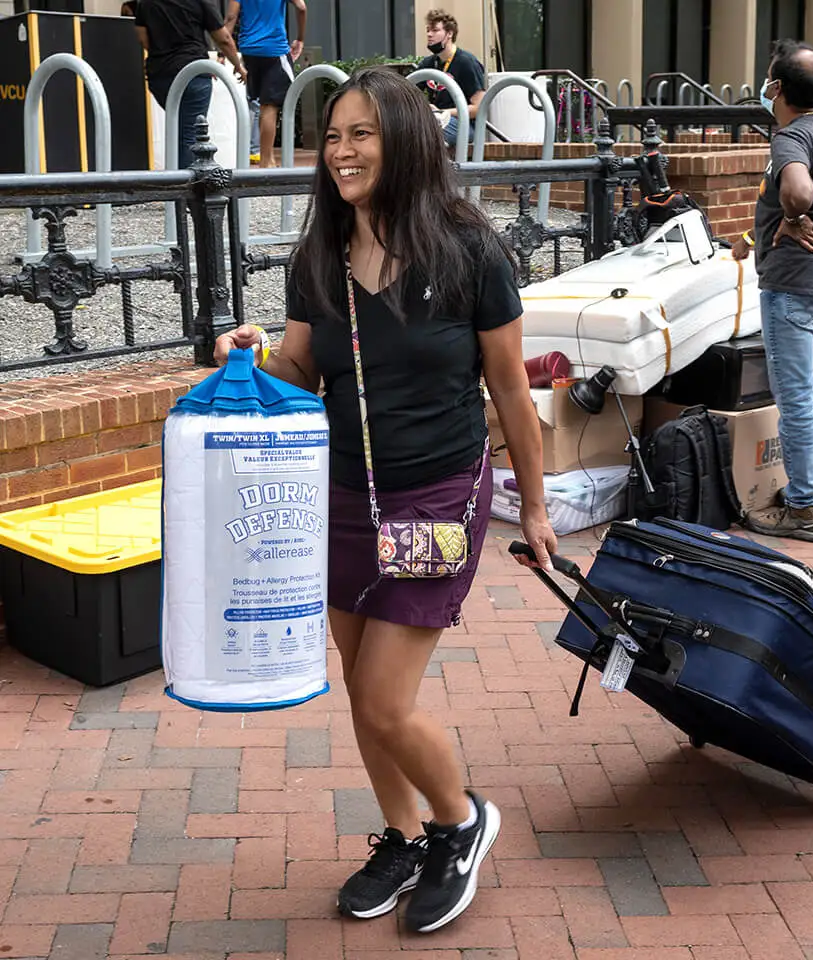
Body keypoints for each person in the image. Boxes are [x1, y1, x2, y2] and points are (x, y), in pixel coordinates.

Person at [213, 67, 557, 931]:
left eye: (360, 133)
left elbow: (512, 391)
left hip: (435, 500)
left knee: (383, 698)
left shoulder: (472, 249)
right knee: (359, 683)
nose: (340, 152)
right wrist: (251, 356)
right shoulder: (319, 254)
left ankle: (460, 821)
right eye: (331, 136)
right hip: (340, 501)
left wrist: (539, 507)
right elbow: (300, 369)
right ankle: (403, 837)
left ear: (402, 138)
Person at [731, 40, 813, 543]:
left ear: (776, 88)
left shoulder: (791, 138)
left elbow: (799, 190)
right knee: (806, 390)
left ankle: (802, 507)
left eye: (767, 79)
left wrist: (793, 214)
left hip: (793, 282)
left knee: (796, 395)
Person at [134, 0, 247, 170]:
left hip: (160, 75)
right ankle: (186, 189)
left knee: (179, 127)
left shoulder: (145, 3)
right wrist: (238, 66)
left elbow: (143, 39)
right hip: (193, 72)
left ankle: (177, 181)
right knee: (190, 134)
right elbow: (223, 38)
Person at [224, 0, 307, 168]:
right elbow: (301, 7)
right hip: (274, 49)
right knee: (269, 107)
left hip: (249, 50)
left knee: (257, 105)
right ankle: (265, 161)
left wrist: (222, 51)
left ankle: (267, 158)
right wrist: (300, 38)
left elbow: (231, 16)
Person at [416, 8, 486, 149]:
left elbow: (479, 107)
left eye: (435, 30)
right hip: (435, 121)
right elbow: (408, 91)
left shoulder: (466, 62)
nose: (429, 34)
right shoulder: (428, 64)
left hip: (464, 125)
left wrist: (444, 113)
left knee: (429, 130)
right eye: (428, 30)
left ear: (449, 33)